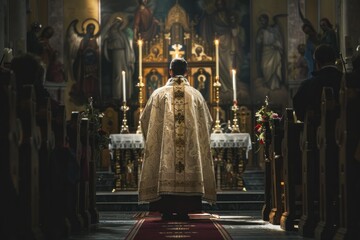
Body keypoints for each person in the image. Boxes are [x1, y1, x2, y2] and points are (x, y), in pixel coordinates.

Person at [138, 58, 216, 220]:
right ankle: (185, 209)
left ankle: (166, 210)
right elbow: (207, 122)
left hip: (165, 158)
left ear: (170, 71)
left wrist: (157, 141)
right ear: (187, 72)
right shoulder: (196, 95)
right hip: (190, 157)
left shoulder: (158, 94)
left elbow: (145, 121)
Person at [293, 44, 342, 122]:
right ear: (334, 60)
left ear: (317, 63)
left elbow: (299, 112)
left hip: (316, 131)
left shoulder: (308, 85)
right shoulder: (347, 81)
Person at [103, 16, 135, 100]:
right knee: (117, 74)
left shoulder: (121, 33)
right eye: (117, 22)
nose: (118, 24)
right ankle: (117, 95)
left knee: (126, 73)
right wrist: (112, 45)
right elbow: (107, 43)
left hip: (124, 54)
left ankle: (126, 95)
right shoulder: (111, 32)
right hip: (116, 53)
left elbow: (126, 44)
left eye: (120, 23)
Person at [70, 22, 100, 104]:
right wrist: (85, 51)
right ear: (87, 29)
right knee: (85, 78)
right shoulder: (83, 40)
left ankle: (93, 94)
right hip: (85, 63)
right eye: (90, 28)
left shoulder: (94, 40)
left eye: (92, 29)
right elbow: (80, 51)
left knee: (93, 78)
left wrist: (94, 51)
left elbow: (97, 50)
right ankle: (85, 93)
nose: (91, 30)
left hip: (93, 63)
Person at [255, 13, 286, 90]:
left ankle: (275, 85)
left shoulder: (273, 30)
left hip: (273, 51)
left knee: (275, 68)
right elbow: (258, 42)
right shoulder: (261, 31)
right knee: (265, 66)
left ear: (267, 20)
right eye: (261, 21)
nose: (262, 22)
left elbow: (278, 39)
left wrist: (277, 45)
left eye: (264, 20)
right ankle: (268, 83)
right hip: (265, 51)